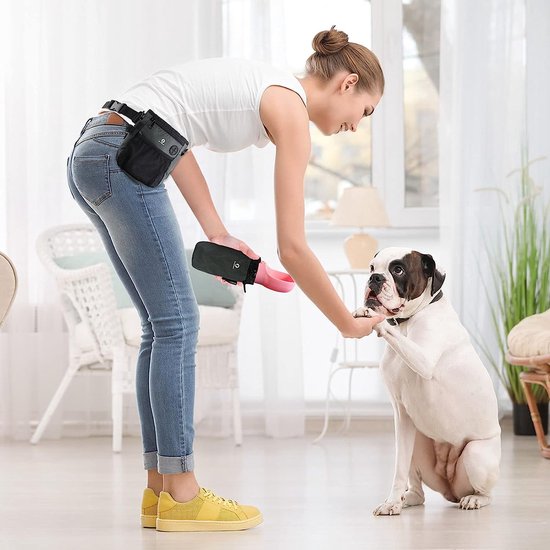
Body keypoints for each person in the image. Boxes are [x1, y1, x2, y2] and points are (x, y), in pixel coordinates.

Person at [67, 26, 385, 532]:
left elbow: (175, 139)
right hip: (121, 154)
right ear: (347, 84)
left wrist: (218, 231)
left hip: (99, 149)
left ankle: (160, 490)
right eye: (364, 111)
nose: (357, 125)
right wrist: (347, 322)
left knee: (160, 325)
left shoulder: (269, 86)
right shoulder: (291, 109)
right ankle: (184, 493)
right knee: (177, 324)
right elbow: (295, 247)